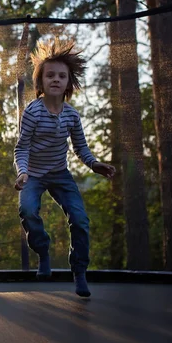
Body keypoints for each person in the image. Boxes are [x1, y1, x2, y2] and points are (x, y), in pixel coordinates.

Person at [14, 38, 115, 297]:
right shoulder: (32, 113)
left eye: (61, 76)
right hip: (33, 174)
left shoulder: (72, 115)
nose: (56, 79)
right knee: (27, 210)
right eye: (50, 75)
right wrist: (22, 172)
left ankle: (79, 272)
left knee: (80, 220)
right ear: (41, 82)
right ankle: (44, 251)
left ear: (69, 82)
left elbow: (81, 147)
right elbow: (21, 147)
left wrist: (94, 164)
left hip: (60, 174)